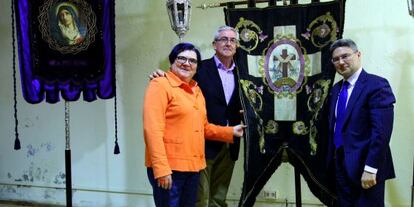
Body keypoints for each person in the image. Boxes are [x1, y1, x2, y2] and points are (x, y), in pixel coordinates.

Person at [143, 42, 245, 207]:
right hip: (170, 169)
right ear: (172, 61)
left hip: (193, 168)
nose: (186, 63)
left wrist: (230, 132)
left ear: (197, 67)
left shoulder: (196, 90)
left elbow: (203, 127)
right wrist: (161, 169)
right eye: (181, 58)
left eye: (192, 61)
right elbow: (152, 130)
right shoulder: (160, 85)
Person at [327, 39, 395, 206]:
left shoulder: (376, 85)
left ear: (358, 55)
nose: (341, 62)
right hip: (340, 165)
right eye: (336, 59)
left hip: (366, 168)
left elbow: (381, 132)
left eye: (345, 56)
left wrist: (371, 169)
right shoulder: (336, 90)